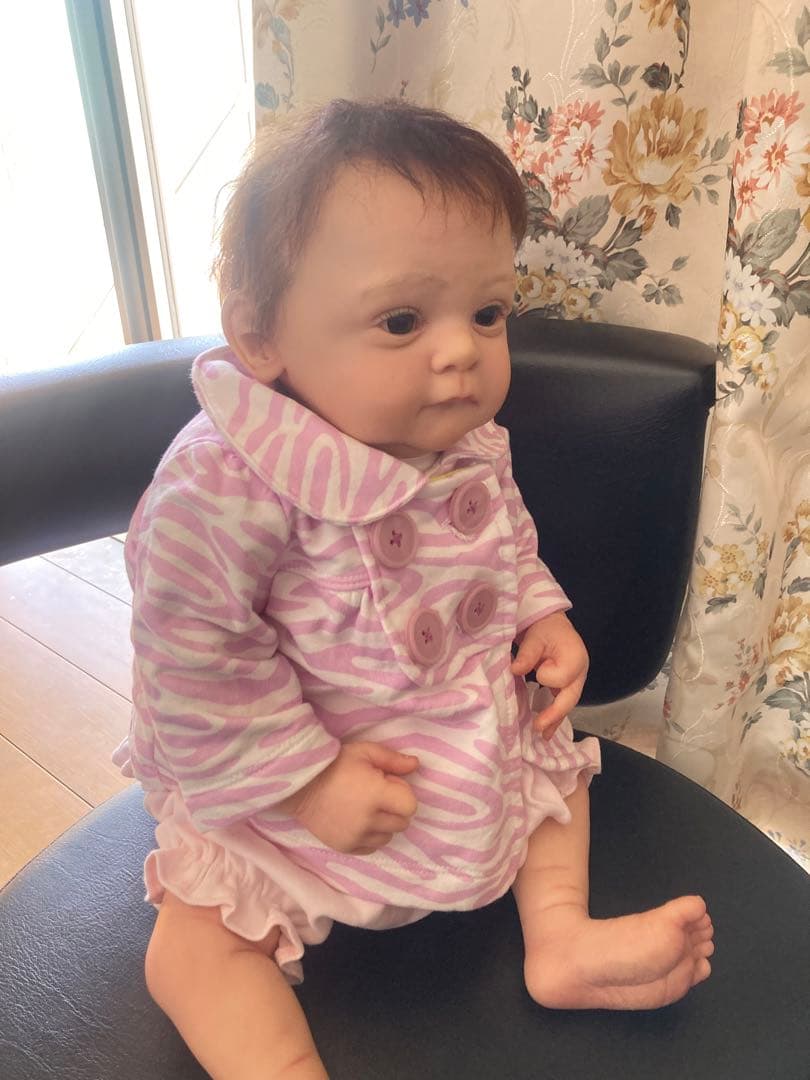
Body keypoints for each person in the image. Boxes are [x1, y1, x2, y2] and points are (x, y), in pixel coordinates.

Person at [116, 99, 714, 1079]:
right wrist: (307, 782)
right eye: (402, 319)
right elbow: (193, 663)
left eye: (488, 313)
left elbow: (505, 533)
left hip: (455, 739)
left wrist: (540, 608)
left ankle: (560, 936)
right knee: (196, 944)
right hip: (290, 790)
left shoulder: (464, 438)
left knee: (556, 772)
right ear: (260, 334)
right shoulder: (223, 486)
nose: (461, 351)